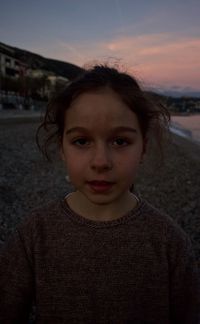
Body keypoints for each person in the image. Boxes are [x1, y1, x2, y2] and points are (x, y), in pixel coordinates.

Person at [0, 64, 199, 323]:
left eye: (120, 141)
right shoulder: (33, 236)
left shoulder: (170, 243)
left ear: (144, 148)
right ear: (62, 148)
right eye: (81, 141)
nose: (101, 161)